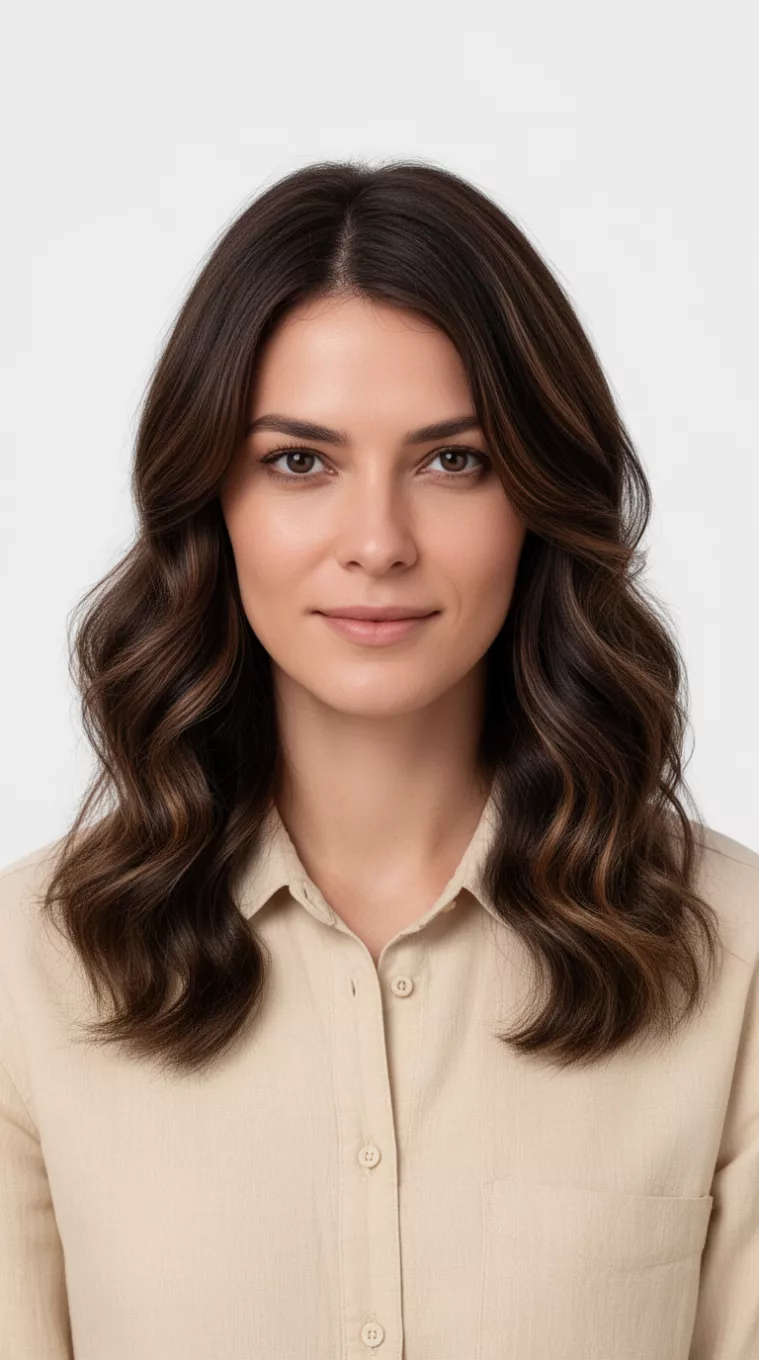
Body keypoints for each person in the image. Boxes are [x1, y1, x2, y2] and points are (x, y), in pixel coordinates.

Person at [0, 159, 756, 1360]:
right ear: (212, 501)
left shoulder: (736, 955)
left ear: (537, 497)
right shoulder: (28, 969)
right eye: (299, 461)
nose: (377, 543)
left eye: (453, 460)